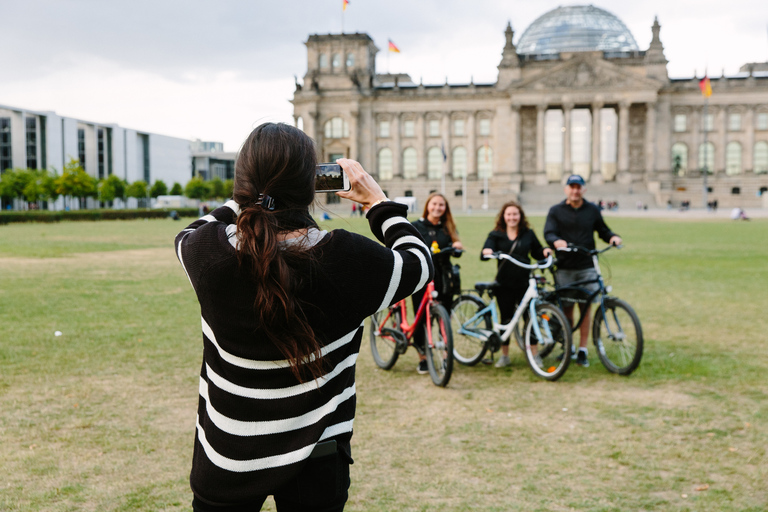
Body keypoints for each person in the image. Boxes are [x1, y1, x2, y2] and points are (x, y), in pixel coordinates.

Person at [175, 123, 433, 511]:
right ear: (312, 185)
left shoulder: (206, 254)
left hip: (227, 451)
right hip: (317, 456)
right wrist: (377, 202)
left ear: (241, 184)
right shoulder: (349, 259)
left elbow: (191, 231)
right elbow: (419, 261)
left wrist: (244, 200)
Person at [543, 175, 622, 368]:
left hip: (587, 266)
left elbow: (603, 230)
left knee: (586, 309)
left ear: (583, 190)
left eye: (578, 187)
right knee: (567, 309)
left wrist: (612, 237)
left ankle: (583, 349)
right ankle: (568, 348)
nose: (575, 190)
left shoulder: (592, 210)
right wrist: (556, 241)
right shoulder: (556, 211)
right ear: (566, 189)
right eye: (572, 187)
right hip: (565, 267)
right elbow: (549, 232)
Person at [481, 201, 552, 368]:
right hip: (504, 284)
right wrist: (488, 251)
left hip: (524, 284)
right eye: (509, 214)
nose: (512, 217)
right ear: (503, 217)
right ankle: (504, 355)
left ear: (520, 217)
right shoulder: (496, 234)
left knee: (531, 318)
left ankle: (534, 354)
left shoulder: (527, 233)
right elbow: (485, 251)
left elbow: (537, 252)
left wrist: (545, 252)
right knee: (506, 318)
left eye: (515, 214)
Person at [410, 192, 463, 374]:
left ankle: (447, 356)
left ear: (445, 208)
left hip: (444, 277)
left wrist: (457, 247)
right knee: (421, 318)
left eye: (441, 205)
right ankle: (423, 357)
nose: (437, 208)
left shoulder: (448, 228)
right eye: (434, 204)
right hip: (422, 276)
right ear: (428, 205)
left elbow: (457, 248)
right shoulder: (416, 226)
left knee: (444, 316)